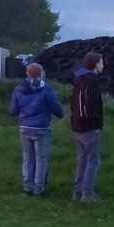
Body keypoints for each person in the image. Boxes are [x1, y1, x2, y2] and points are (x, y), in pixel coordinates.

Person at [9, 63, 64, 196]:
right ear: (41, 73)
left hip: (25, 127)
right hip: (41, 128)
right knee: (41, 159)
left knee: (28, 158)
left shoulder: (18, 89)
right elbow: (58, 110)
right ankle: (39, 188)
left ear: (27, 73)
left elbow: (13, 111)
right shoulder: (46, 89)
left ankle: (27, 187)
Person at [70, 51, 105, 202]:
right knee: (93, 160)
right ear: (96, 64)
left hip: (77, 124)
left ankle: (78, 192)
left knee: (83, 159)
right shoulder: (91, 80)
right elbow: (90, 105)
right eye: (101, 62)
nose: (103, 65)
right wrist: (96, 124)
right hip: (88, 126)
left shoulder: (79, 79)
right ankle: (87, 194)